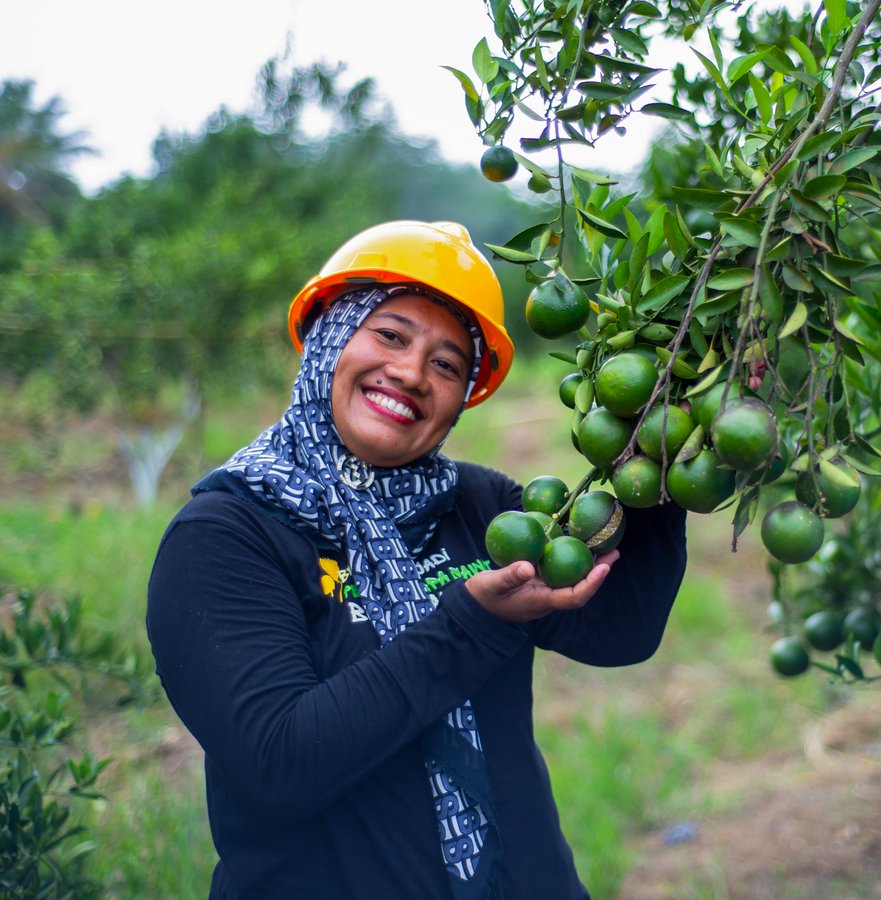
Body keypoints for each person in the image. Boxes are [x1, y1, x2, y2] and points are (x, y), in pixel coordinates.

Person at [146, 220, 687, 899]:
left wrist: (659, 460)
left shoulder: (481, 507)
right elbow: (278, 764)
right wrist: (470, 624)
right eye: (391, 335)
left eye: (447, 364)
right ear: (328, 337)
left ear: (463, 397)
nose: (410, 373)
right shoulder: (227, 534)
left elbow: (621, 630)